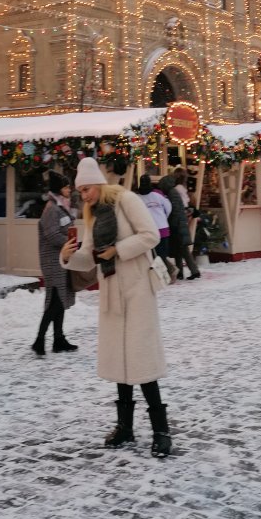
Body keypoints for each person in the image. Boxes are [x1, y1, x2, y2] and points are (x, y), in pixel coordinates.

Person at [60, 157, 172, 457]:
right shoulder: (93, 214)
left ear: (98, 183)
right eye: (80, 191)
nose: (84, 196)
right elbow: (89, 256)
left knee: (141, 358)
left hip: (137, 289)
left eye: (87, 189)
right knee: (120, 361)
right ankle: (125, 427)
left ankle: (162, 431)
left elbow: (149, 235)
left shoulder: (126, 199)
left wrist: (118, 250)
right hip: (111, 290)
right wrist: (67, 256)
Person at [31, 171, 78, 356]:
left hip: (61, 259)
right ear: (59, 189)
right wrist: (70, 242)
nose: (69, 189)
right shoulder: (52, 208)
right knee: (55, 303)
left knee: (59, 301)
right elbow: (51, 235)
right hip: (52, 261)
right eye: (66, 186)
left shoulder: (61, 206)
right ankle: (39, 340)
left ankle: (59, 339)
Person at [158, 174, 200, 280]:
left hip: (177, 225)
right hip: (179, 224)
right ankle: (180, 272)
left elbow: (174, 211)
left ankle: (194, 271)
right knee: (178, 249)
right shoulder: (173, 193)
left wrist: (172, 224)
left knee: (183, 249)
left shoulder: (172, 193)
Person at [136, 175, 173, 270]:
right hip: (162, 228)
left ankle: (159, 275)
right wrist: (163, 218)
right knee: (162, 255)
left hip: (148, 230)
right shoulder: (158, 195)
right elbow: (168, 207)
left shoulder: (138, 198)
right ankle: (165, 274)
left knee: (152, 256)